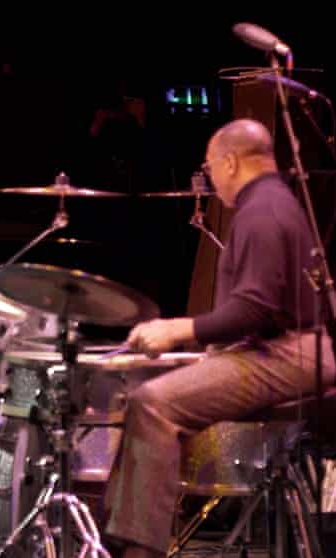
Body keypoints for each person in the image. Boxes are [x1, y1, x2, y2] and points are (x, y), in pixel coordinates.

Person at [103, 118, 336, 557]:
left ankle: (139, 550)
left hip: (291, 354)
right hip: (289, 347)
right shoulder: (274, 201)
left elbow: (254, 310)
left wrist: (177, 329)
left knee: (154, 404)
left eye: (210, 170)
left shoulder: (262, 212)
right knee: (153, 391)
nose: (211, 182)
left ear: (230, 162)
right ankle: (123, 534)